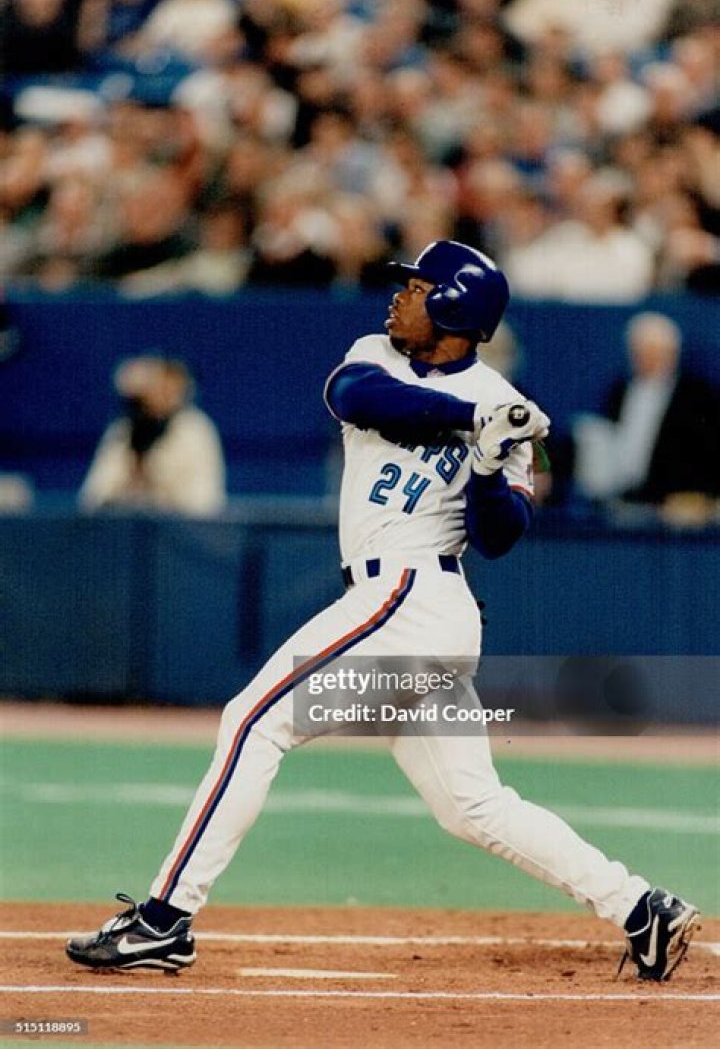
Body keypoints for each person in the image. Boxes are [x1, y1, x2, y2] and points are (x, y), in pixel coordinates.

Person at [66, 241, 699, 981]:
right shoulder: (381, 357)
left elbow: (501, 535)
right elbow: (356, 396)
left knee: (253, 722)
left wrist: (491, 461)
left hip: (414, 600)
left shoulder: (508, 411)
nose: (399, 296)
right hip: (406, 611)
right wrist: (476, 418)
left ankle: (164, 920)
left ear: (456, 307)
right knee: (472, 806)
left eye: (418, 288)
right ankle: (640, 907)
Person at [573, 312, 720, 518]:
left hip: (673, 507)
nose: (647, 359)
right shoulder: (619, 390)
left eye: (655, 352)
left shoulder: (697, 396)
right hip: (623, 502)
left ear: (673, 353)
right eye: (640, 352)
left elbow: (709, 452)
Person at [79, 355, 227, 516]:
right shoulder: (123, 430)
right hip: (126, 526)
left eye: (166, 388)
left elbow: (204, 501)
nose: (158, 395)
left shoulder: (196, 430)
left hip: (180, 527)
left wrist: (157, 498)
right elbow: (93, 496)